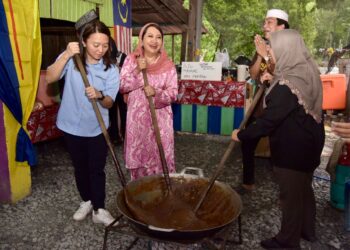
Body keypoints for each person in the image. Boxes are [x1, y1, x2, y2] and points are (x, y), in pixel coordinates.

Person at [232, 29, 325, 249]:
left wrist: (242, 135)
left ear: (285, 49)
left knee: (290, 197)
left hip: (293, 148)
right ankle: (307, 230)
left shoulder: (286, 85)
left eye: (272, 47)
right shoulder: (305, 71)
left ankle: (287, 241)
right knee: (304, 190)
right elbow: (294, 97)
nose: (269, 51)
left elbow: (269, 121)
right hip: (311, 143)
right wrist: (273, 78)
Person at [45, 20, 120, 226]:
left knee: (96, 169)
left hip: (97, 128)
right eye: (96, 44)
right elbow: (50, 77)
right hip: (70, 126)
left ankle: (99, 208)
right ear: (84, 41)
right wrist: (68, 54)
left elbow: (110, 102)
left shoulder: (111, 69)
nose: (101, 49)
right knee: (79, 167)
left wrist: (99, 94)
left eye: (105, 45)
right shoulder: (72, 59)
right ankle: (86, 201)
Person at [119, 23, 178, 180]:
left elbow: (173, 94)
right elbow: (122, 86)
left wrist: (156, 93)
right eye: (150, 36)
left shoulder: (168, 65)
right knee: (140, 161)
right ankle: (140, 199)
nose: (154, 41)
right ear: (142, 39)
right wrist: (138, 70)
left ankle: (162, 198)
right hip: (137, 122)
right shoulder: (131, 60)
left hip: (160, 121)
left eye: (158, 37)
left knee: (160, 159)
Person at [240, 9, 289, 192]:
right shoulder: (264, 47)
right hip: (260, 107)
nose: (264, 26)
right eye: (264, 22)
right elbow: (253, 75)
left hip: (280, 108)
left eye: (269, 22)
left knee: (282, 147)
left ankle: (286, 186)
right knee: (248, 141)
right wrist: (260, 53)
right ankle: (248, 182)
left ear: (281, 27)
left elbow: (284, 75)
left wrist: (269, 58)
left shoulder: (288, 49)